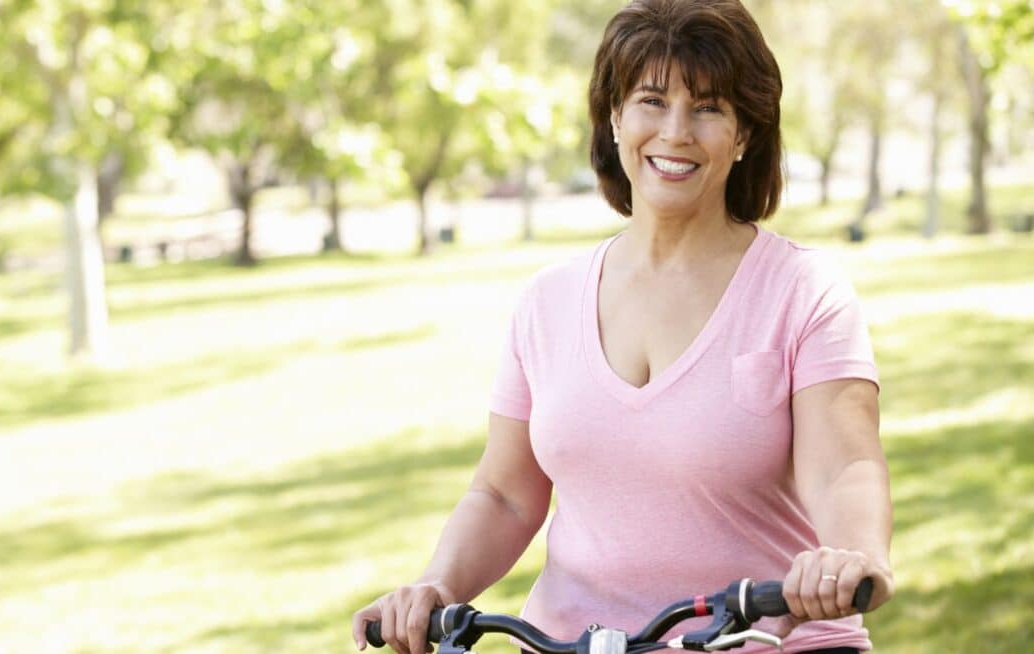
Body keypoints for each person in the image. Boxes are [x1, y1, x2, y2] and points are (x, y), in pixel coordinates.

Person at [351, 1, 894, 652]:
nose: (676, 131)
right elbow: (504, 496)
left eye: (709, 107)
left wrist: (852, 554)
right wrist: (437, 584)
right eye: (651, 100)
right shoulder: (547, 303)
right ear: (613, 117)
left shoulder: (803, 292)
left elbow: (844, 466)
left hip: (771, 641)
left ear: (745, 133)